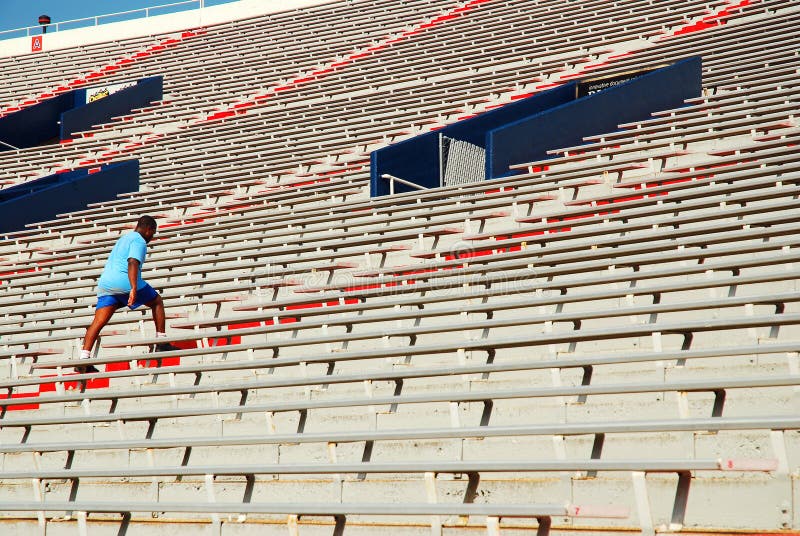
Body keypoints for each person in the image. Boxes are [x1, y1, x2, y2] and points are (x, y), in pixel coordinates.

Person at [76, 215, 179, 373]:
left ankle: (84, 358)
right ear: (148, 229)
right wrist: (133, 287)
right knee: (157, 301)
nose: (152, 237)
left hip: (105, 284)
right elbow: (132, 262)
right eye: (153, 233)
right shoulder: (139, 240)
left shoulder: (124, 238)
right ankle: (161, 341)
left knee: (98, 322)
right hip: (123, 281)